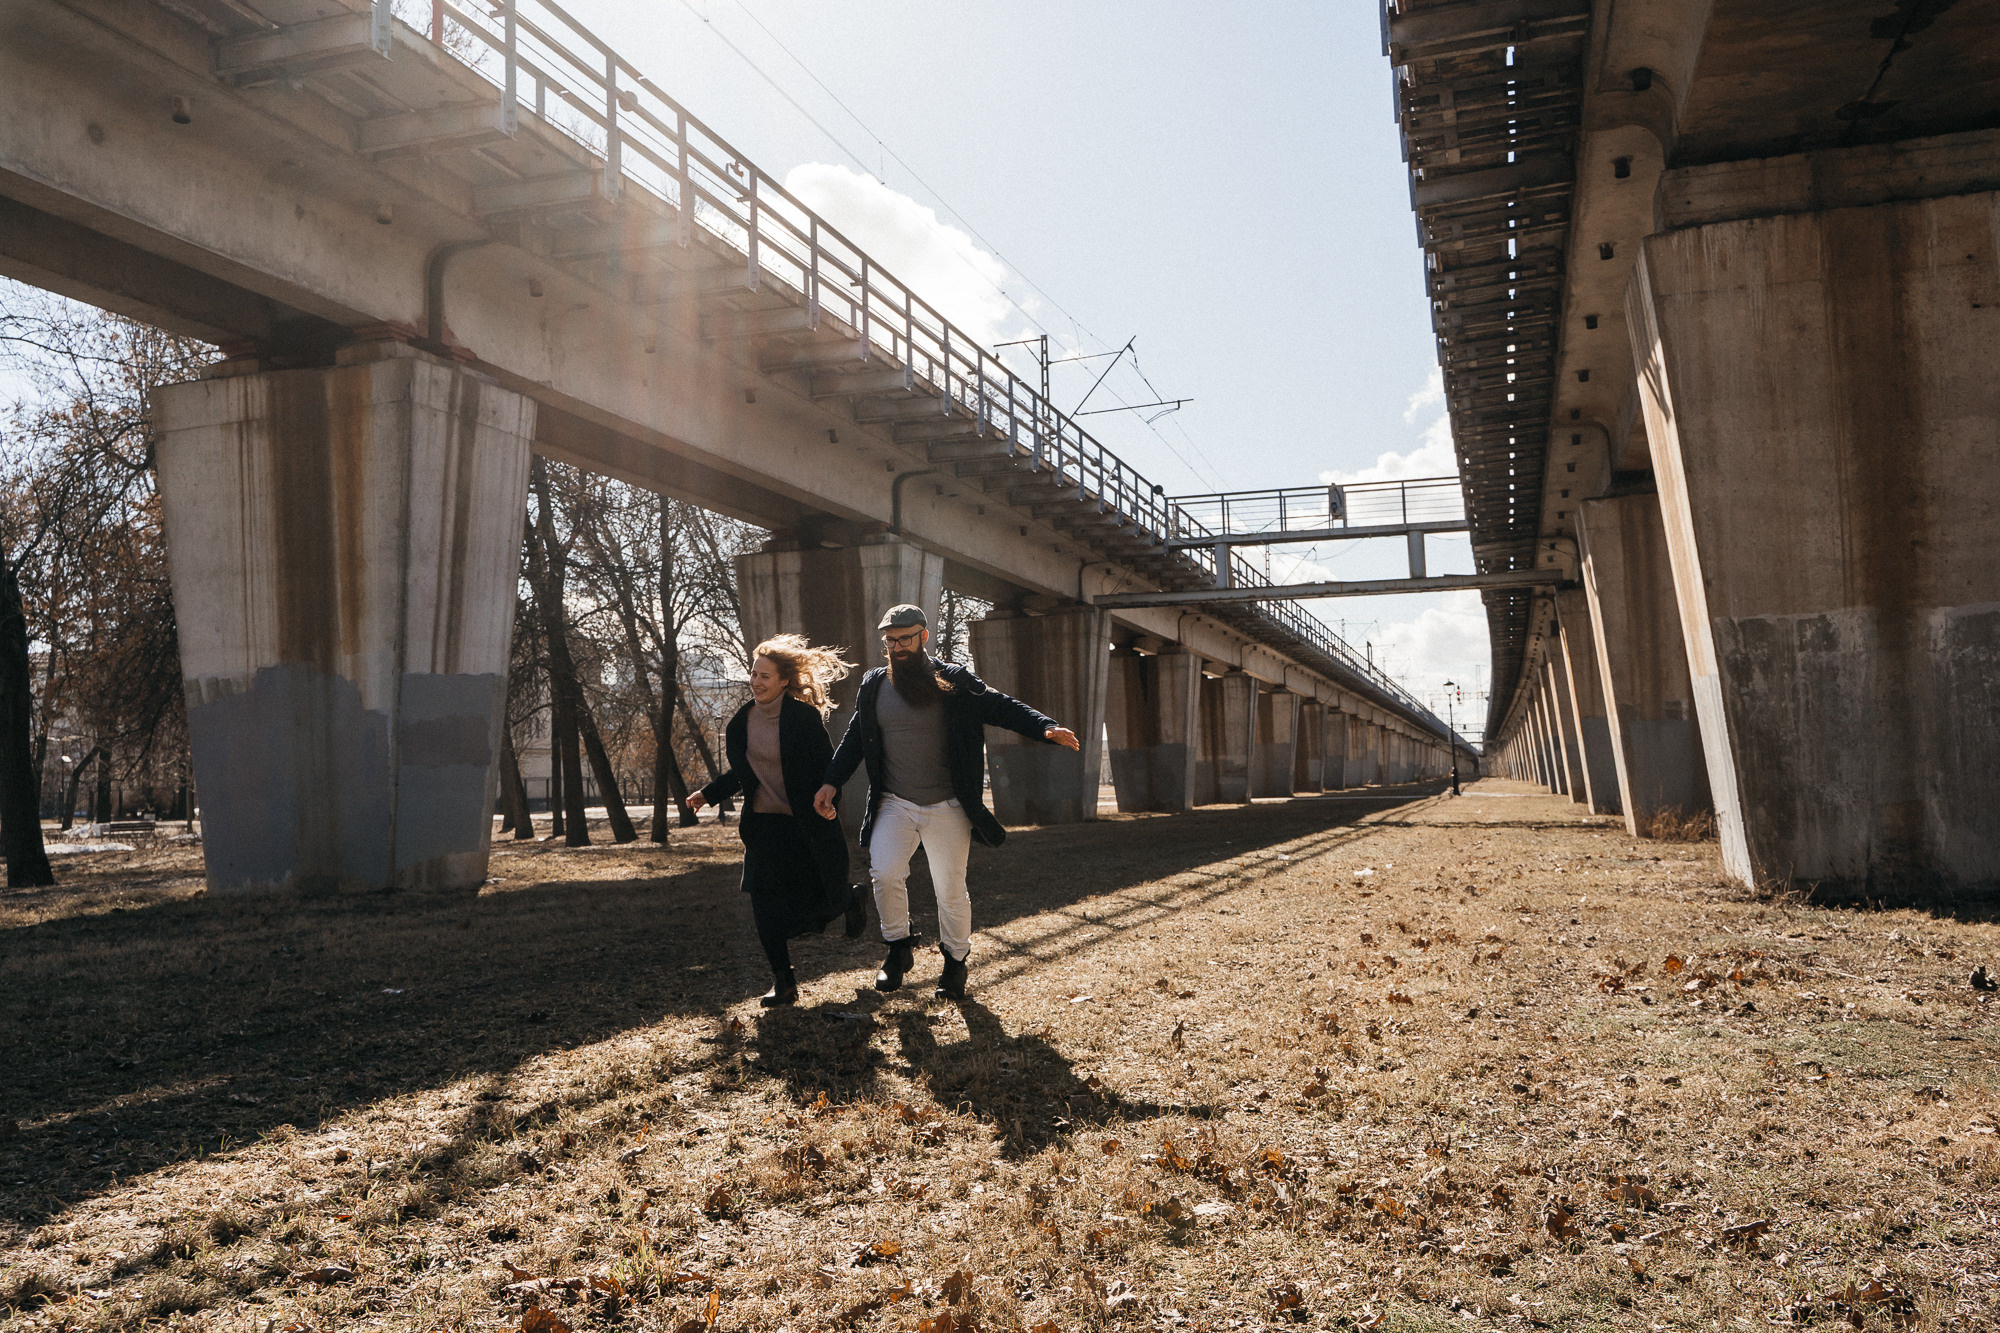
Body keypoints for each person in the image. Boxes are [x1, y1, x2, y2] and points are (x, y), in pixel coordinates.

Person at [814, 604, 1080, 1001]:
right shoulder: (874, 685)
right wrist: (831, 782)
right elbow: (855, 738)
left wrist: (1044, 727)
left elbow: (999, 705)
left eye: (905, 639)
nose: (897, 648)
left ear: (923, 636)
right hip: (895, 802)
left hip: (948, 805)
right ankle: (898, 947)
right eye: (891, 641)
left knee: (950, 889)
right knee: (884, 872)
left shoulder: (954, 679)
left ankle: (955, 962)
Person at [689, 635, 868, 1006]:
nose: (756, 681)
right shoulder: (741, 723)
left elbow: (828, 771)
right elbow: (744, 772)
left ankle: (850, 899)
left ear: (784, 680)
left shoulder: (803, 719)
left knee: (814, 903)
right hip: (763, 827)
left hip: (803, 826)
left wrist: (830, 803)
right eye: (754, 674)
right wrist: (709, 794)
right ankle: (783, 982)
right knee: (763, 904)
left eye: (765, 676)